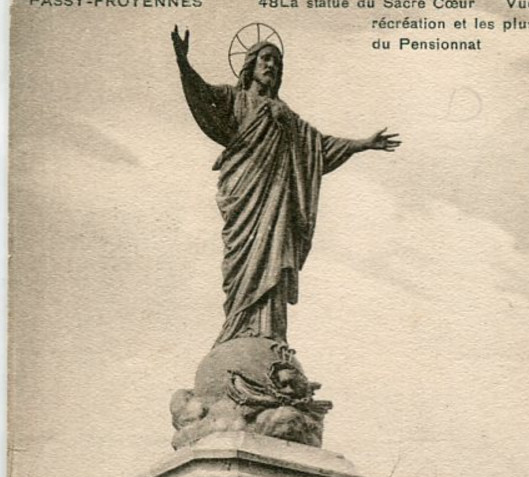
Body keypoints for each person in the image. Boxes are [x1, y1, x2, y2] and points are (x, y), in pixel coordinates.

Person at [171, 27, 400, 344]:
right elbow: (201, 95)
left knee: (274, 259)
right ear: (250, 64)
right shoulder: (233, 99)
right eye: (265, 59)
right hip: (245, 195)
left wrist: (363, 143)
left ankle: (269, 334)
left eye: (277, 64)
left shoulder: (287, 116)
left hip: (277, 201)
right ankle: (239, 329)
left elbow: (318, 146)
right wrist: (183, 62)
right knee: (242, 263)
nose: (271, 67)